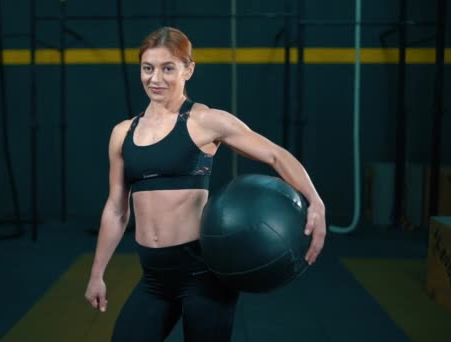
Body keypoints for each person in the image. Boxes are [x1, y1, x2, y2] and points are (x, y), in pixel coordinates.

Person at [85, 26, 327, 341]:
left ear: (189, 69)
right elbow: (117, 209)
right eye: (148, 68)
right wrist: (97, 273)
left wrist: (315, 201)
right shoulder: (123, 133)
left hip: (202, 275)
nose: (155, 78)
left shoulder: (205, 122)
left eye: (167, 68)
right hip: (154, 279)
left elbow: (276, 155)